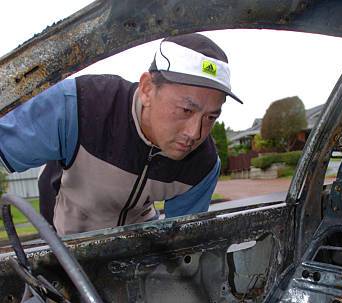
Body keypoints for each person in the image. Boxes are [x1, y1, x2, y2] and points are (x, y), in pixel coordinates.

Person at [0, 33, 242, 235]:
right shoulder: (78, 106)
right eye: (186, 109)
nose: (194, 133)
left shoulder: (204, 164)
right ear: (147, 89)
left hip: (136, 253)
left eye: (211, 117)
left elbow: (183, 241)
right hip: (64, 244)